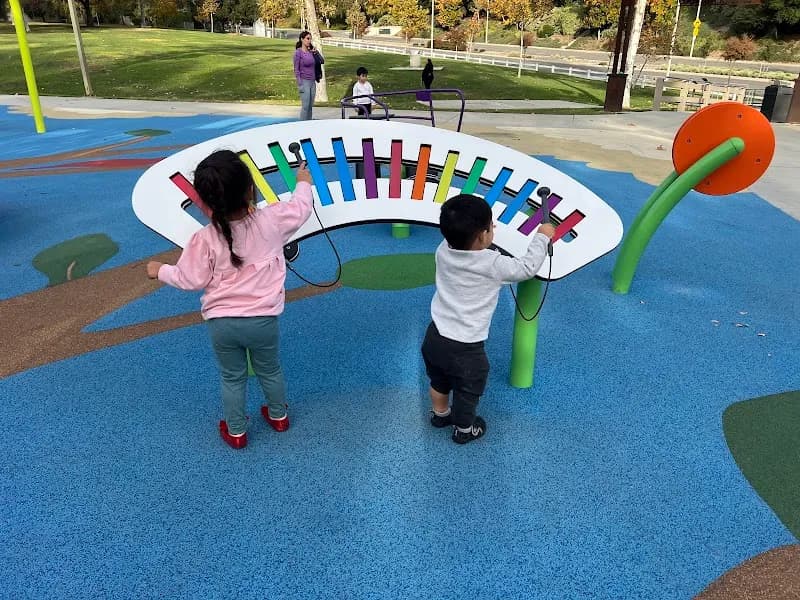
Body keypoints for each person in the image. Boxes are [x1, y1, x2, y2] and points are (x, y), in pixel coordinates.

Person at [146, 150, 314, 450]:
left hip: (222, 324)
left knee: (232, 377)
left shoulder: (204, 239)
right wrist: (303, 181)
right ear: (250, 189)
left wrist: (160, 270)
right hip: (263, 320)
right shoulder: (273, 220)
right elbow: (301, 208)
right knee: (270, 369)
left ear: (206, 202)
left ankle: (236, 431)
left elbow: (189, 279)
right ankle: (279, 416)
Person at [421, 194, 556, 444]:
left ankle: (440, 415)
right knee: (467, 390)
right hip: (466, 348)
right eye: (490, 226)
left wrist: (480, 235)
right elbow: (527, 268)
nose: (492, 228)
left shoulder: (442, 250)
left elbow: (466, 245)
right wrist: (542, 236)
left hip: (435, 336)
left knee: (439, 381)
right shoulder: (493, 264)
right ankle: (464, 429)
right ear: (482, 236)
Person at [293, 31, 324, 121]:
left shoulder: (311, 52)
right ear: (302, 39)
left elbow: (322, 61)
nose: (309, 41)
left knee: (310, 106)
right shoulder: (298, 53)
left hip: (312, 82)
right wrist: (300, 84)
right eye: (307, 38)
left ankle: (309, 124)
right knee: (305, 106)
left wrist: (316, 52)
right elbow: (296, 69)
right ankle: (302, 124)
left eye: (310, 39)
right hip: (304, 81)